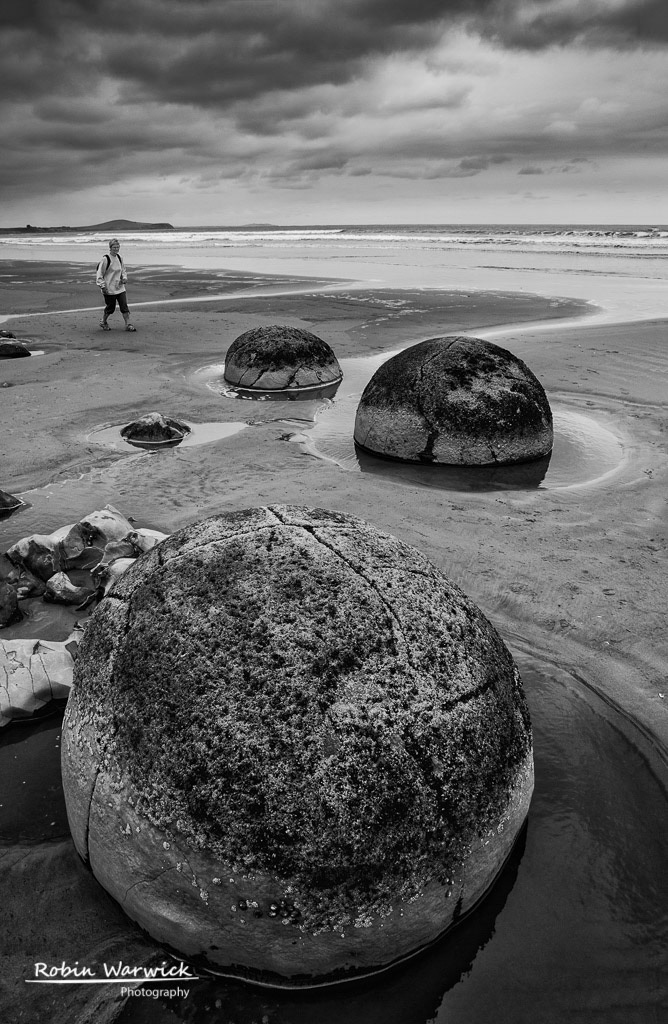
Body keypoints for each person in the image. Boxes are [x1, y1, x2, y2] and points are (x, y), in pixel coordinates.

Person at [96, 238, 136, 331]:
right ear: (110, 248)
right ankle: (103, 322)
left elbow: (123, 270)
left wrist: (124, 278)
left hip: (120, 287)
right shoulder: (105, 259)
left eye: (117, 247)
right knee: (110, 308)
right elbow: (99, 274)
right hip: (109, 288)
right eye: (114, 247)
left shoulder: (119, 258)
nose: (116, 249)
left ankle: (128, 324)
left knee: (124, 306)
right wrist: (102, 285)